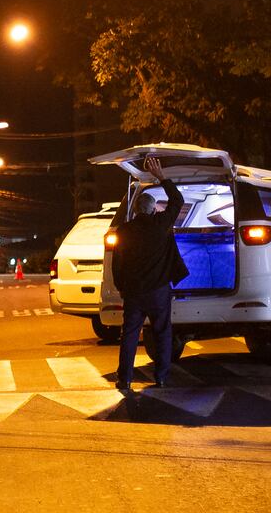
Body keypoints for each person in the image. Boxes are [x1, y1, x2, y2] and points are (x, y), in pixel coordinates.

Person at [111, 157, 188, 390]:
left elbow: (117, 264)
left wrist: (121, 288)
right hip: (158, 290)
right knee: (162, 333)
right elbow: (178, 200)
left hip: (134, 292)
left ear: (135, 211)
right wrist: (162, 177)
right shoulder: (161, 224)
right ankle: (161, 376)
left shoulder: (124, 231)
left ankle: (124, 379)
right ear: (154, 209)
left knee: (130, 335)